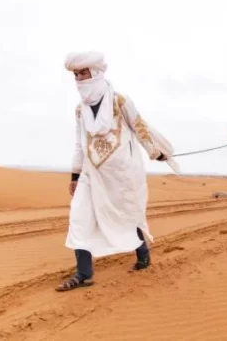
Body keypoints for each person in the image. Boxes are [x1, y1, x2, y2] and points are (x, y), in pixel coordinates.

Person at [56, 51, 180, 292]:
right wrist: (75, 175)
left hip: (122, 172)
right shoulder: (80, 110)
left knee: (126, 214)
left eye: (83, 73)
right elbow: (80, 143)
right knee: (79, 217)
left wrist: (155, 152)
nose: (80, 79)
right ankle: (84, 273)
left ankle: (142, 252)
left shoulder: (120, 101)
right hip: (92, 172)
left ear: (96, 73)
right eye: (76, 75)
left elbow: (139, 126)